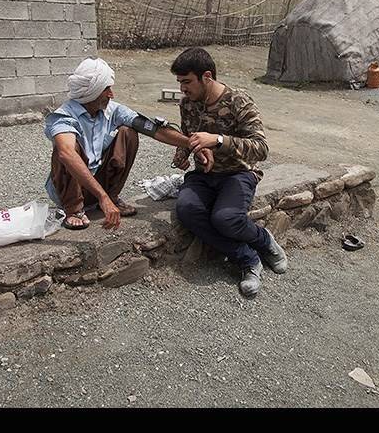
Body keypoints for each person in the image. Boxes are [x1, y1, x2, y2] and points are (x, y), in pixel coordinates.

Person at [44, 57, 212, 231]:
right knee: (65, 150)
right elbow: (66, 153)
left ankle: (112, 195)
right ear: (91, 93)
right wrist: (102, 197)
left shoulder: (112, 110)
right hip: (74, 188)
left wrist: (192, 143)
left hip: (100, 184)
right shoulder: (63, 116)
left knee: (128, 132)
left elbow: (152, 129)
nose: (111, 94)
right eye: (106, 89)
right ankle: (74, 210)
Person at [171, 48, 287, 298]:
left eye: (187, 82)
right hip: (204, 175)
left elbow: (261, 148)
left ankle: (264, 240)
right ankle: (248, 259)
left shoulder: (238, 101)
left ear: (207, 77)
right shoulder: (188, 104)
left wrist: (219, 140)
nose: (182, 89)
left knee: (225, 218)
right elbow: (188, 137)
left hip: (238, 174)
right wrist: (183, 154)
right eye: (180, 82)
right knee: (187, 210)